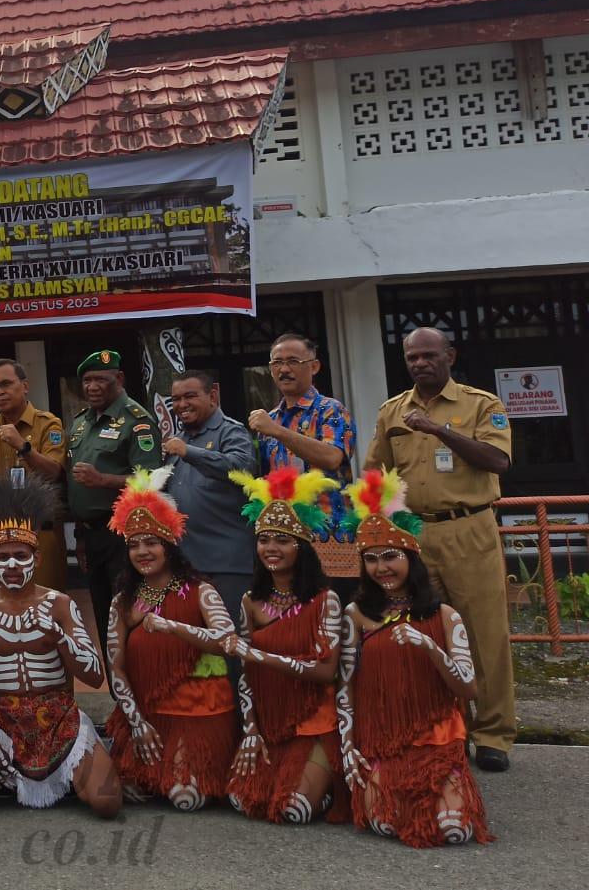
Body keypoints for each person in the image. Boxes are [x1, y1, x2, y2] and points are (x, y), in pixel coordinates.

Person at [363, 326, 514, 773]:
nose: (420, 363)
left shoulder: (481, 404)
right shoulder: (393, 411)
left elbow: (498, 460)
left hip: (469, 529)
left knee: (483, 635)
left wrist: (437, 429)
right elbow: (375, 476)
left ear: (450, 356)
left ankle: (493, 734)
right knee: (424, 632)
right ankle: (446, 728)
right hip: (414, 535)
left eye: (429, 355)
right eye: (412, 358)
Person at [0, 475, 120, 818]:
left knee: (106, 801)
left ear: (37, 559)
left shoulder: (60, 605)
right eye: (3, 556)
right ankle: (15, 767)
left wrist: (60, 638)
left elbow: (95, 676)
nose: (12, 565)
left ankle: (59, 769)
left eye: (21, 556)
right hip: (1, 717)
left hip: (59, 716)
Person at [337, 469, 492, 847]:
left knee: (455, 829)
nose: (381, 568)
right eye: (371, 559)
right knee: (385, 823)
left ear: (411, 557)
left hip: (437, 740)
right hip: (380, 740)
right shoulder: (355, 614)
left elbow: (468, 689)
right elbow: (345, 685)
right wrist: (348, 746)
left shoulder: (445, 616)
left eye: (391, 556)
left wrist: (430, 647)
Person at [102, 470, 240, 811]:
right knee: (122, 791)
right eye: (134, 545)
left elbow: (227, 641)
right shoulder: (122, 602)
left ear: (169, 545)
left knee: (185, 797)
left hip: (198, 712)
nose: (142, 552)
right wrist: (136, 723)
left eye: (151, 543)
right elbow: (116, 667)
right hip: (147, 714)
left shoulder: (201, 591)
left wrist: (172, 627)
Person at [224, 467, 349, 825]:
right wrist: (250, 729)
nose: (271, 549)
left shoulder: (325, 601)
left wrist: (259, 655)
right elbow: (245, 675)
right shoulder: (250, 601)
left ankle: (328, 786)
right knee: (242, 800)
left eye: (282, 540)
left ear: (301, 546)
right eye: (264, 539)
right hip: (269, 719)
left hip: (315, 722)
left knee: (294, 809)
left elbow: (326, 672)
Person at [65, 350, 162, 671]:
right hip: (91, 535)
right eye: (87, 380)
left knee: (129, 617)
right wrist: (80, 536)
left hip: (124, 535)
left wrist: (103, 480)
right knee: (105, 618)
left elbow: (152, 481)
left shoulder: (137, 421)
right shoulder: (81, 422)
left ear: (118, 379)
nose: (91, 387)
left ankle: (141, 691)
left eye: (100, 380)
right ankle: (118, 694)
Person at [163, 370, 260, 635]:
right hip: (186, 564)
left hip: (226, 565)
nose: (182, 405)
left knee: (229, 642)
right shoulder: (178, 439)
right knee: (194, 644)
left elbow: (241, 467)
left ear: (213, 395)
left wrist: (189, 452)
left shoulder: (231, 431)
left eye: (190, 396)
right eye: (176, 399)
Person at [0, 358, 70, 590]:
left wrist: (23, 447)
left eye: (6, 384)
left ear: (25, 386)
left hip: (40, 532)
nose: (0, 392)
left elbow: (54, 472)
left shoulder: (48, 424)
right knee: (4, 605)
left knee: (45, 602)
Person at [249, 334, 355, 478]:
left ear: (314, 367)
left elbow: (332, 458)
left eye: (293, 361)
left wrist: (277, 430)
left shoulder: (331, 409)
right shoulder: (271, 418)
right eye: (277, 362)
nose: (284, 369)